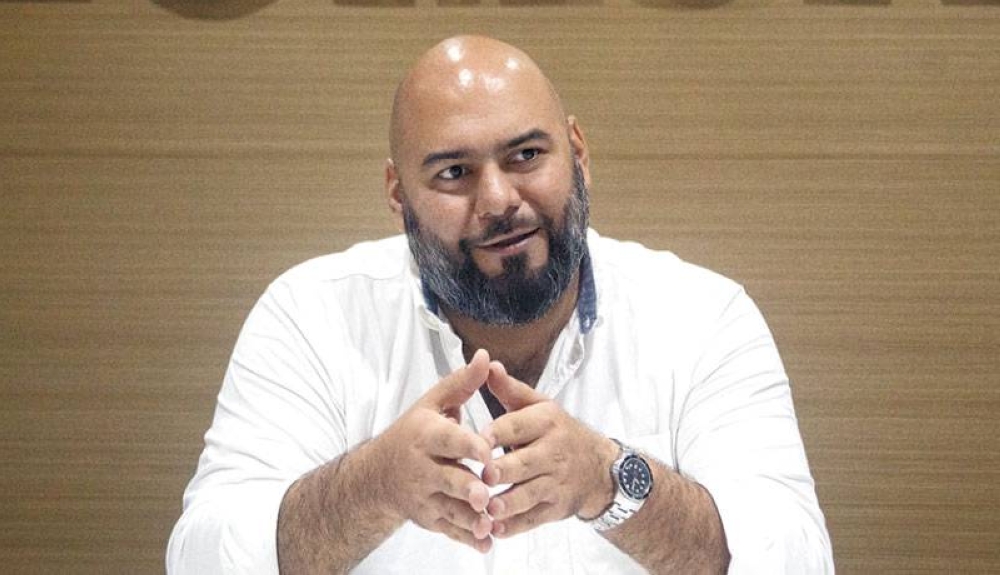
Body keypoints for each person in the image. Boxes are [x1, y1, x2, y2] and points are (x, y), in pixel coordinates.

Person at [166, 35, 834, 574]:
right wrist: (371, 486)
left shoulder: (704, 317)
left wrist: (611, 482)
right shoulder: (311, 317)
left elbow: (797, 561)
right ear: (398, 195)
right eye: (453, 172)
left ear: (578, 154)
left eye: (525, 155)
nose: (497, 200)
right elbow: (201, 560)